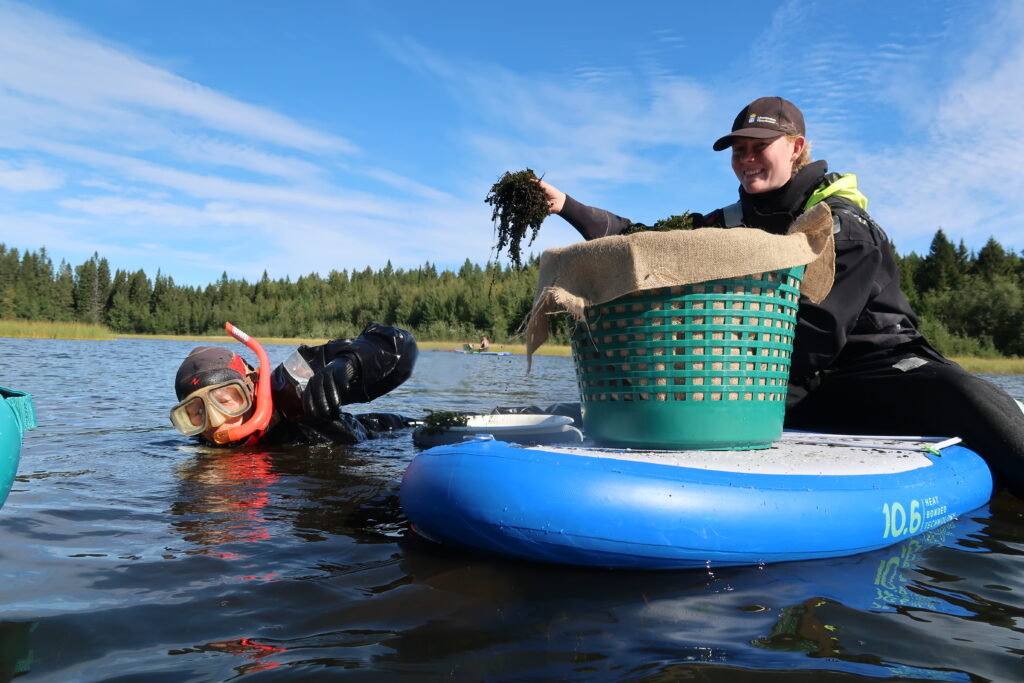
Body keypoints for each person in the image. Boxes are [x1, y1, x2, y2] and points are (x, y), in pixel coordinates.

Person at [537, 96, 1024, 496]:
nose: (747, 159)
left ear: (797, 148)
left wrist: (723, 376)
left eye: (760, 147)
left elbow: (813, 337)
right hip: (785, 376)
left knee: (955, 391)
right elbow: (647, 242)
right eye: (738, 150)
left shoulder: (843, 225)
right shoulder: (730, 224)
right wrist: (567, 206)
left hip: (875, 368)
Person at [171, 322, 418, 446]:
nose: (215, 422)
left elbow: (398, 347)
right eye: (195, 414)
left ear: (253, 387)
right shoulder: (203, 445)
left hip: (385, 431)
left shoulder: (287, 387)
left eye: (226, 401)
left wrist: (352, 363)